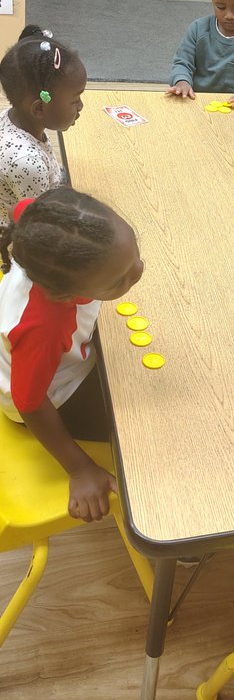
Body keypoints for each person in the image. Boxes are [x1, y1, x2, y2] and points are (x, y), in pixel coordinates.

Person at [0, 187, 144, 522]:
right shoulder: (44, 325)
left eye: (135, 252)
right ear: (62, 294)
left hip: (49, 362)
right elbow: (29, 402)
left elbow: (20, 209)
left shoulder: (40, 226)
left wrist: (116, 276)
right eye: (119, 280)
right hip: (54, 396)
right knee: (145, 430)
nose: (138, 269)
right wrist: (79, 470)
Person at [0, 25, 86, 225]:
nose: (81, 106)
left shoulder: (17, 118)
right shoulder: (28, 162)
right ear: (39, 109)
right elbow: (40, 224)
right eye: (75, 100)